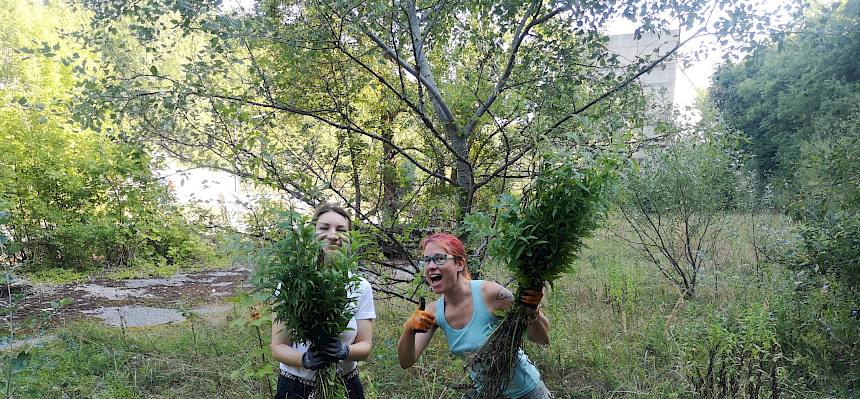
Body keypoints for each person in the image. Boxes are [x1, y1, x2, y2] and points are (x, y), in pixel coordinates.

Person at [397, 232, 552, 399]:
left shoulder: (490, 293)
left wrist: (532, 310)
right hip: (487, 393)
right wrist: (408, 330)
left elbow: (542, 339)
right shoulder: (434, 312)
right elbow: (406, 361)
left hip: (527, 392)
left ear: (460, 264)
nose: (430, 266)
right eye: (426, 260)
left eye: (439, 258)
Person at [271, 204, 376, 399]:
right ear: (310, 233)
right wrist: (305, 359)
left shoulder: (361, 287)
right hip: (295, 388)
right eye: (324, 228)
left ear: (350, 238)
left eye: (341, 230)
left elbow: (365, 346)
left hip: (346, 386)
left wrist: (345, 351)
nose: (333, 235)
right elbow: (278, 347)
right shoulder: (291, 284)